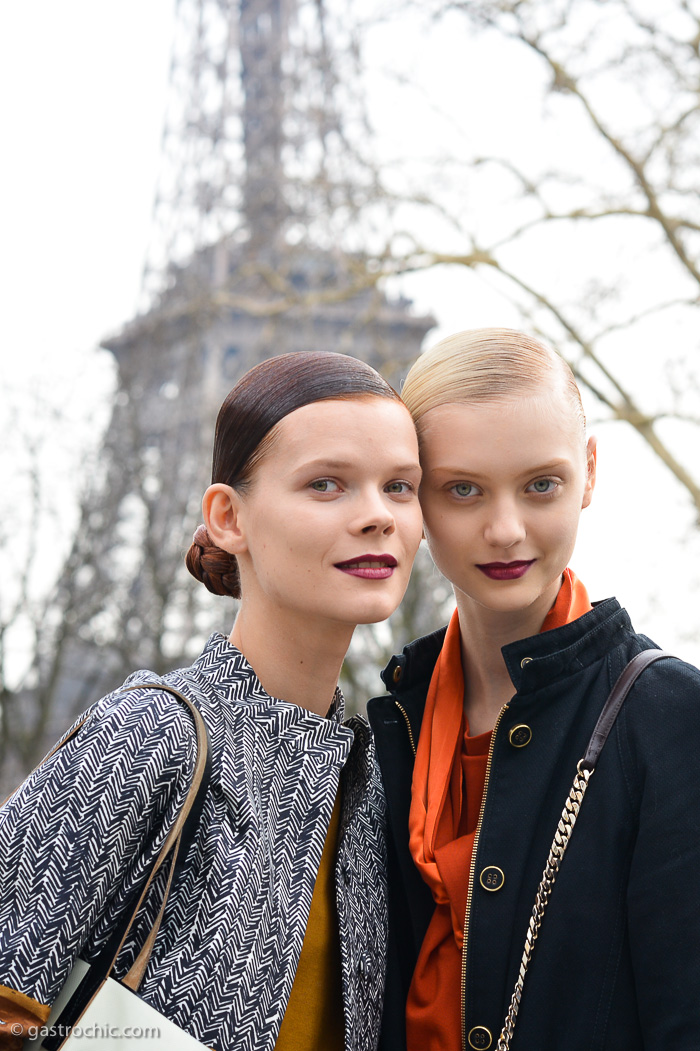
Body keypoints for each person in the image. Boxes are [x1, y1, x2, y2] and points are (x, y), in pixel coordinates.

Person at [0, 350, 424, 1051]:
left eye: (400, 487)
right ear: (228, 515)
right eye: (327, 483)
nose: (377, 515)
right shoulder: (147, 734)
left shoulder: (378, 783)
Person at [368, 328, 700, 1051]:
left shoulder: (671, 717)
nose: (506, 529)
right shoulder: (387, 726)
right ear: (413, 495)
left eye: (540, 484)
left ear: (589, 472)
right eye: (463, 489)